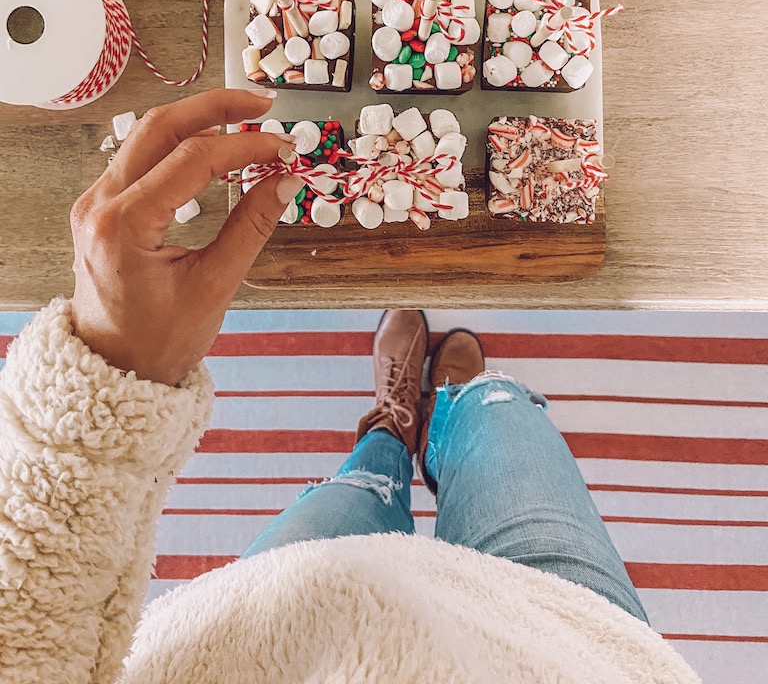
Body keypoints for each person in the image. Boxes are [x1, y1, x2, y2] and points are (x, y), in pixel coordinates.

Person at [0, 89, 699, 683]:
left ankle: (392, 437)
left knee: (352, 497)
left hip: (261, 635)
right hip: (567, 652)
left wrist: (104, 392)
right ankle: (461, 407)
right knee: (509, 431)